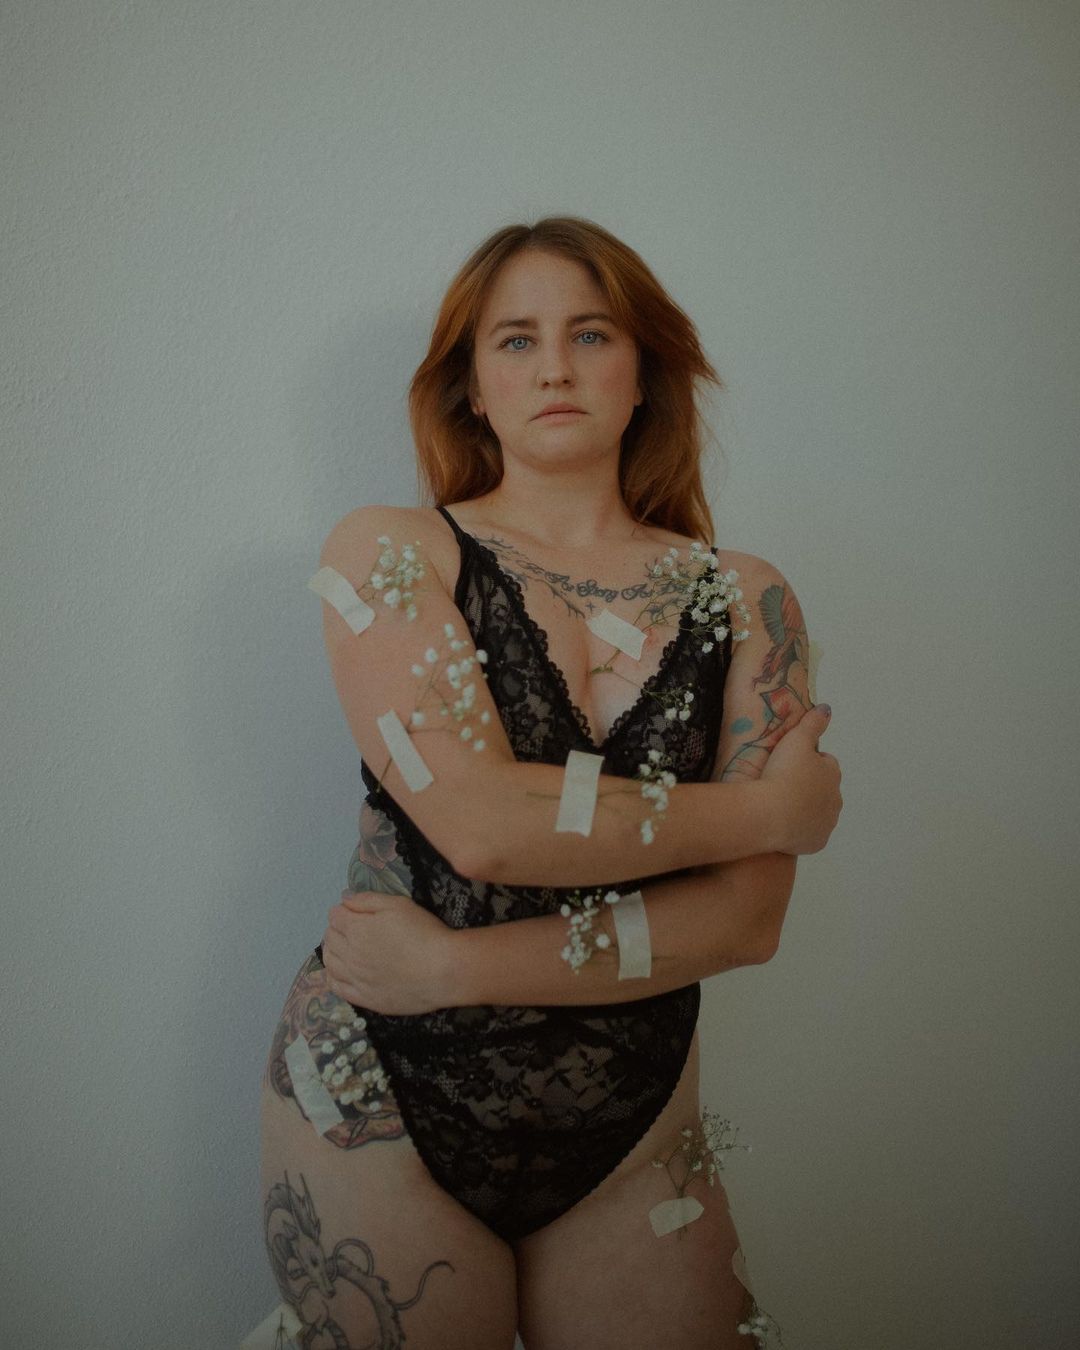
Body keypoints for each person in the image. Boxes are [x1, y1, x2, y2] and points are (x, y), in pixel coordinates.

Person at [259, 216, 842, 1350]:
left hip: (633, 1109)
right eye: (516, 341)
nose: (556, 368)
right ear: (472, 387)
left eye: (591, 334)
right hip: (382, 1081)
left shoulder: (747, 598)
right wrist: (769, 812)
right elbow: (483, 827)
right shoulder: (391, 552)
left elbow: (746, 918)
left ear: (645, 373)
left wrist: (456, 967)